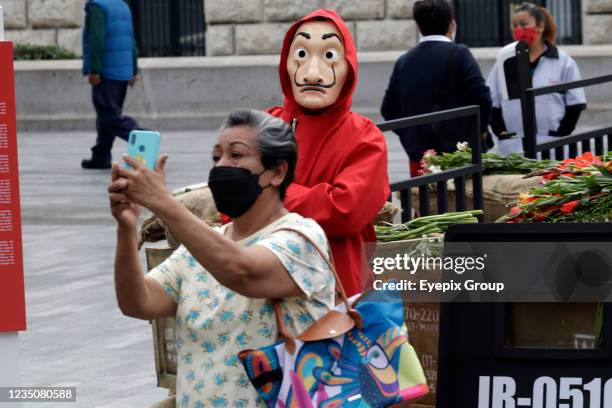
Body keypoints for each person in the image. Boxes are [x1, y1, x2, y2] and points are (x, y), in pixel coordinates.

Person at [108, 110, 335, 407]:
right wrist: (126, 228)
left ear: (277, 172)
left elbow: (242, 272)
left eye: (236, 155)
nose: (222, 166)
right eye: (217, 158)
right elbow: (137, 302)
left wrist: (162, 202)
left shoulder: (301, 238)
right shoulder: (202, 246)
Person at [268, 9, 390, 297]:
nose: (312, 73)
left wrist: (269, 195)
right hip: (265, 282)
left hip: (335, 287)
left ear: (349, 67)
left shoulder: (365, 136)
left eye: (330, 56)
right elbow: (231, 200)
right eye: (301, 53)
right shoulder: (264, 126)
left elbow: (345, 211)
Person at [381, 0, 492, 176]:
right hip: (460, 156)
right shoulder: (459, 53)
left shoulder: (404, 61)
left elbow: (388, 109)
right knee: (465, 202)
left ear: (418, 26)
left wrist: (411, 136)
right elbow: (482, 97)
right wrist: (481, 130)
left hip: (421, 159)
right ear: (452, 24)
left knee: (425, 201)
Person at [487, 2, 586, 156]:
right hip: (513, 146)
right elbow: (492, 104)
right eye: (514, 25)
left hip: (552, 144)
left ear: (540, 26)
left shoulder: (563, 61)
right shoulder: (503, 63)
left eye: (524, 24)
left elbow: (575, 104)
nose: (518, 29)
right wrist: (500, 132)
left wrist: (560, 133)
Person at [81, 0, 142, 169]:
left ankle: (143, 136)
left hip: (106, 70)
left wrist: (94, 69)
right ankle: (101, 156)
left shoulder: (97, 7)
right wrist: (133, 68)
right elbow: (131, 38)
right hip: (123, 69)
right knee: (106, 116)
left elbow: (97, 39)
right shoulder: (122, 5)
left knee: (109, 116)